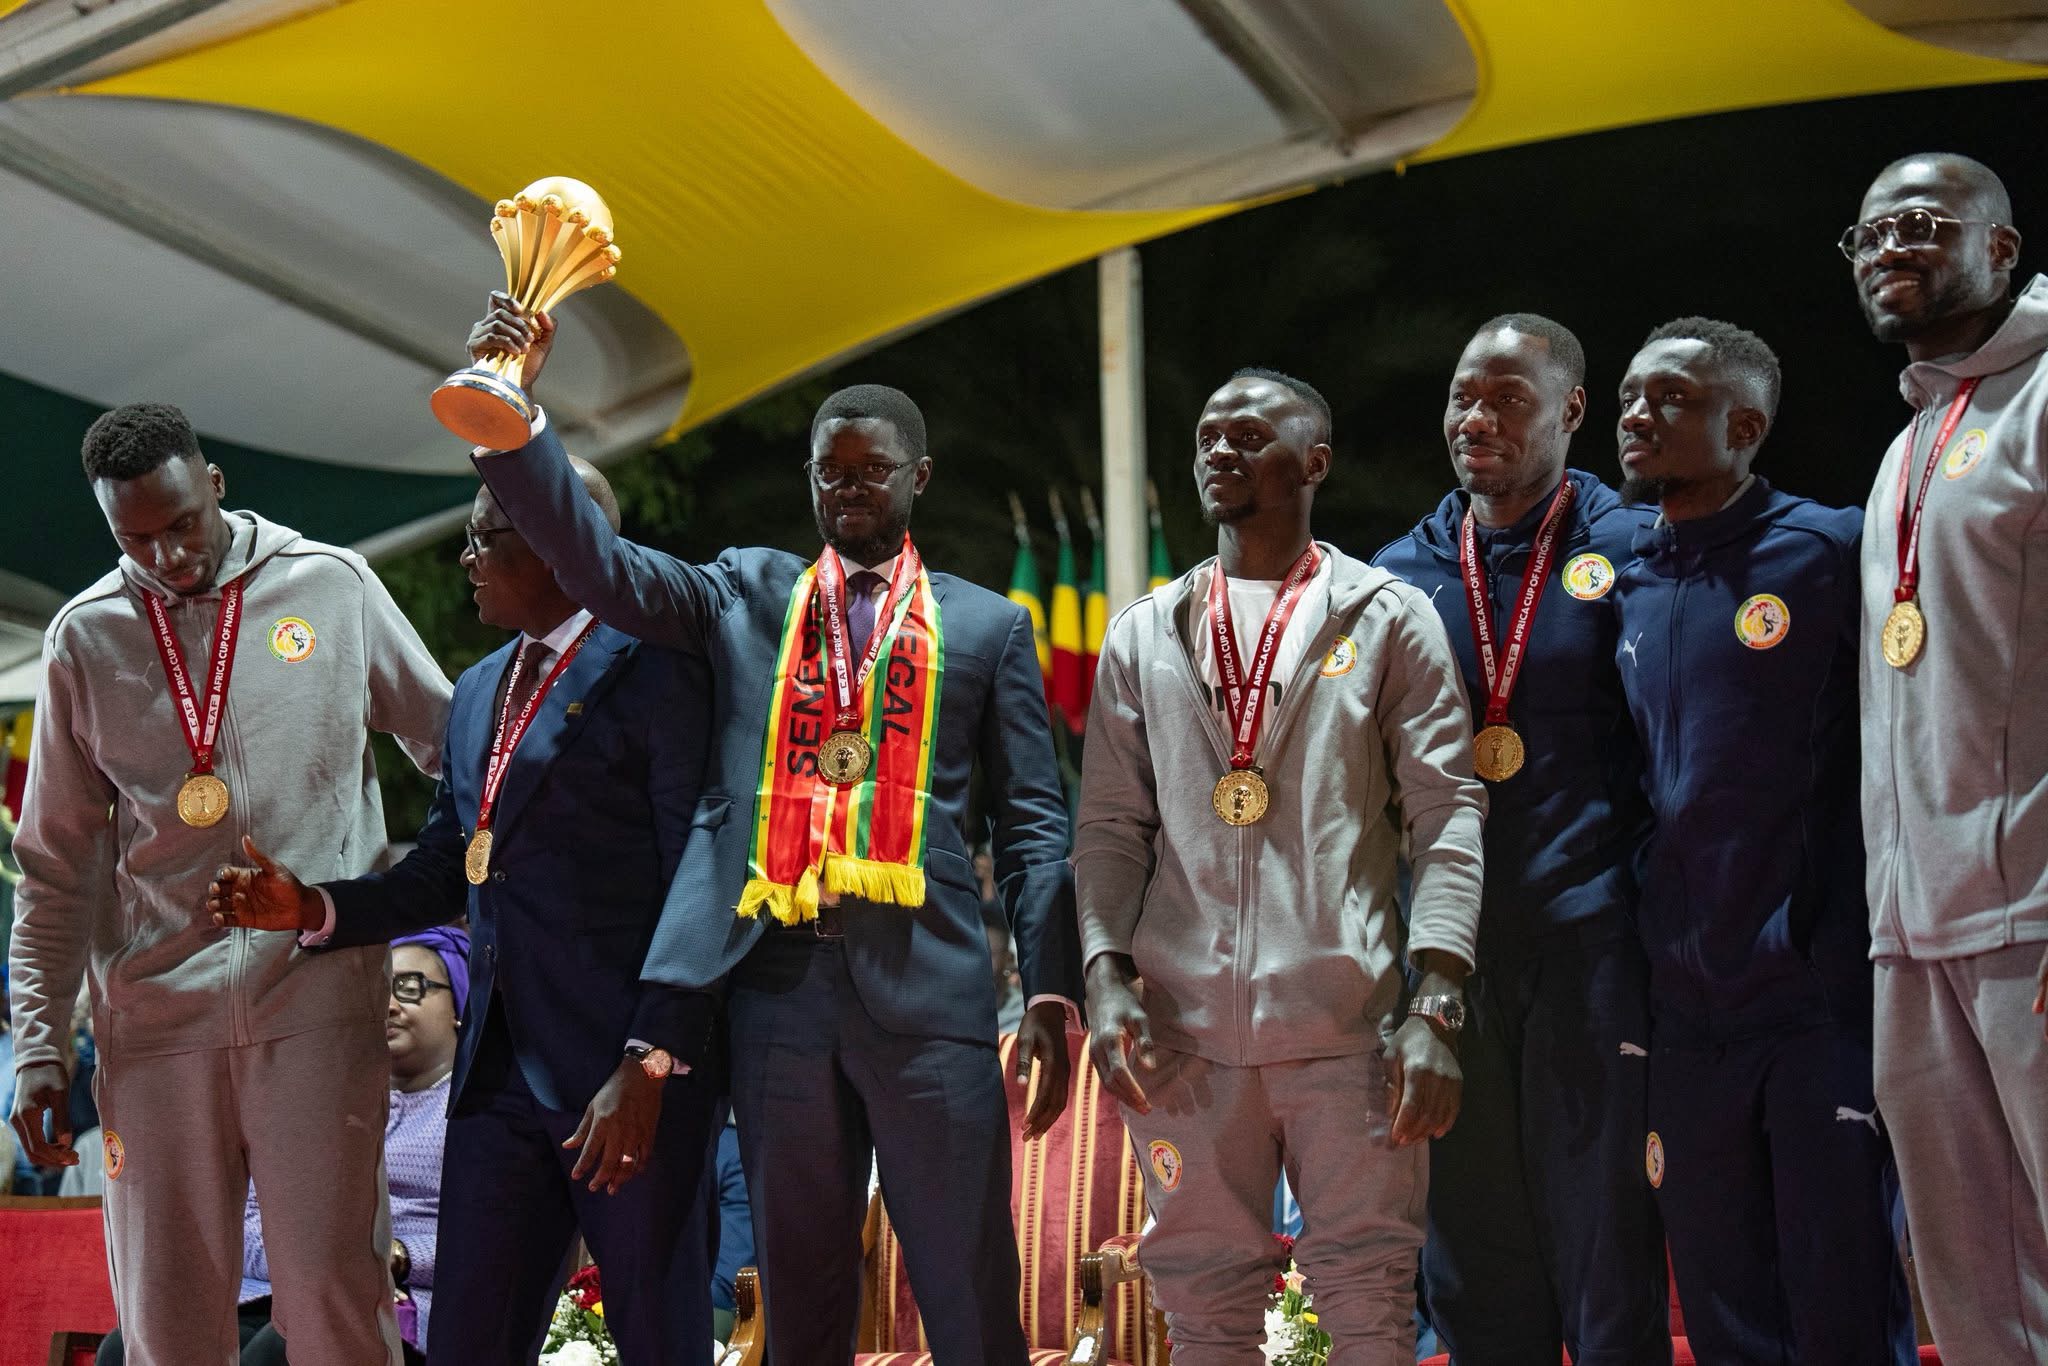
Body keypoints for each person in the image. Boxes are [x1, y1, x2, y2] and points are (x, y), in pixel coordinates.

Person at [454, 295, 1081, 1365]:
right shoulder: (748, 593)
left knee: (969, 1290)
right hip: (775, 998)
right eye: (828, 471)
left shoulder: (986, 624)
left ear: (915, 477)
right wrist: (517, 422)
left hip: (928, 997)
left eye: (870, 470)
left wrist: (1053, 987)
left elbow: (1031, 827)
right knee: (800, 1306)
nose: (847, 488)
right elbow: (602, 570)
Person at [207, 460, 724, 1364]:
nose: (466, 557)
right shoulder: (481, 686)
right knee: (470, 1345)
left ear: (567, 549)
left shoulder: (660, 668)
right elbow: (447, 866)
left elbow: (703, 870)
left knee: (657, 1341)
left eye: (488, 536)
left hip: (626, 1079)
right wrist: (315, 907)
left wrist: (652, 1061)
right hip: (495, 1082)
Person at [7, 403, 450, 1366]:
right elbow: (54, 868)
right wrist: (41, 1044)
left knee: (335, 1291)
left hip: (317, 1000)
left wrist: (428, 896)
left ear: (214, 485)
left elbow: (452, 749)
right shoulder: (85, 640)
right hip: (156, 1022)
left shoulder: (332, 586)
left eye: (181, 527)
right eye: (136, 539)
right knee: (168, 1312)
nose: (166, 557)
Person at [1076, 368, 1484, 1364]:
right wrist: (1102, 974)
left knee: (1367, 1304)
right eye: (1208, 434)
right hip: (1183, 1038)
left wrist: (1436, 999)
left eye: (1249, 436)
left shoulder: (1387, 616)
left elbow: (1446, 810)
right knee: (1204, 1315)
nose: (1218, 450)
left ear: (1313, 461)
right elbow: (1109, 827)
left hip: (1347, 1031)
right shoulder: (1144, 631)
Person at [1609, 319, 1913, 1364]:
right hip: (1685, 1018)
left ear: (1742, 425)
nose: (1636, 416)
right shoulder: (1626, 576)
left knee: (1837, 1303)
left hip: (1814, 1003)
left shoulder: (1826, 548)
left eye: (1668, 400)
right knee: (1723, 1303)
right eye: (1628, 398)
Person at [1371, 315, 1668, 1365]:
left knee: (1604, 1249)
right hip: (1448, 958)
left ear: (1570, 411)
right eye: (1461, 395)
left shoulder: (1637, 548)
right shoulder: (1395, 577)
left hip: (1592, 950)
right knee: (1468, 1253)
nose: (1475, 417)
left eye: (1505, 396)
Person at [1846, 152, 2048, 1358]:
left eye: (1919, 224)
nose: (1886, 250)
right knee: (1969, 1283)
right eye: (1865, 235)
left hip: (2032, 909)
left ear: (2000, 247)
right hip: (1912, 934)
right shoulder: (1911, 437)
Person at [95, 929, 465, 1366]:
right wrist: (310, 1264)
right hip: (271, 1293)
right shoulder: (326, 1097)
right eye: (382, 986)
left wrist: (399, 1258)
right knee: (126, 1347)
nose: (388, 1004)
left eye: (410, 988)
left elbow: (490, 1239)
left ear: (461, 1005)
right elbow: (244, 1217)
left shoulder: (477, 1116)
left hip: (403, 1301)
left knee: (277, 1353)